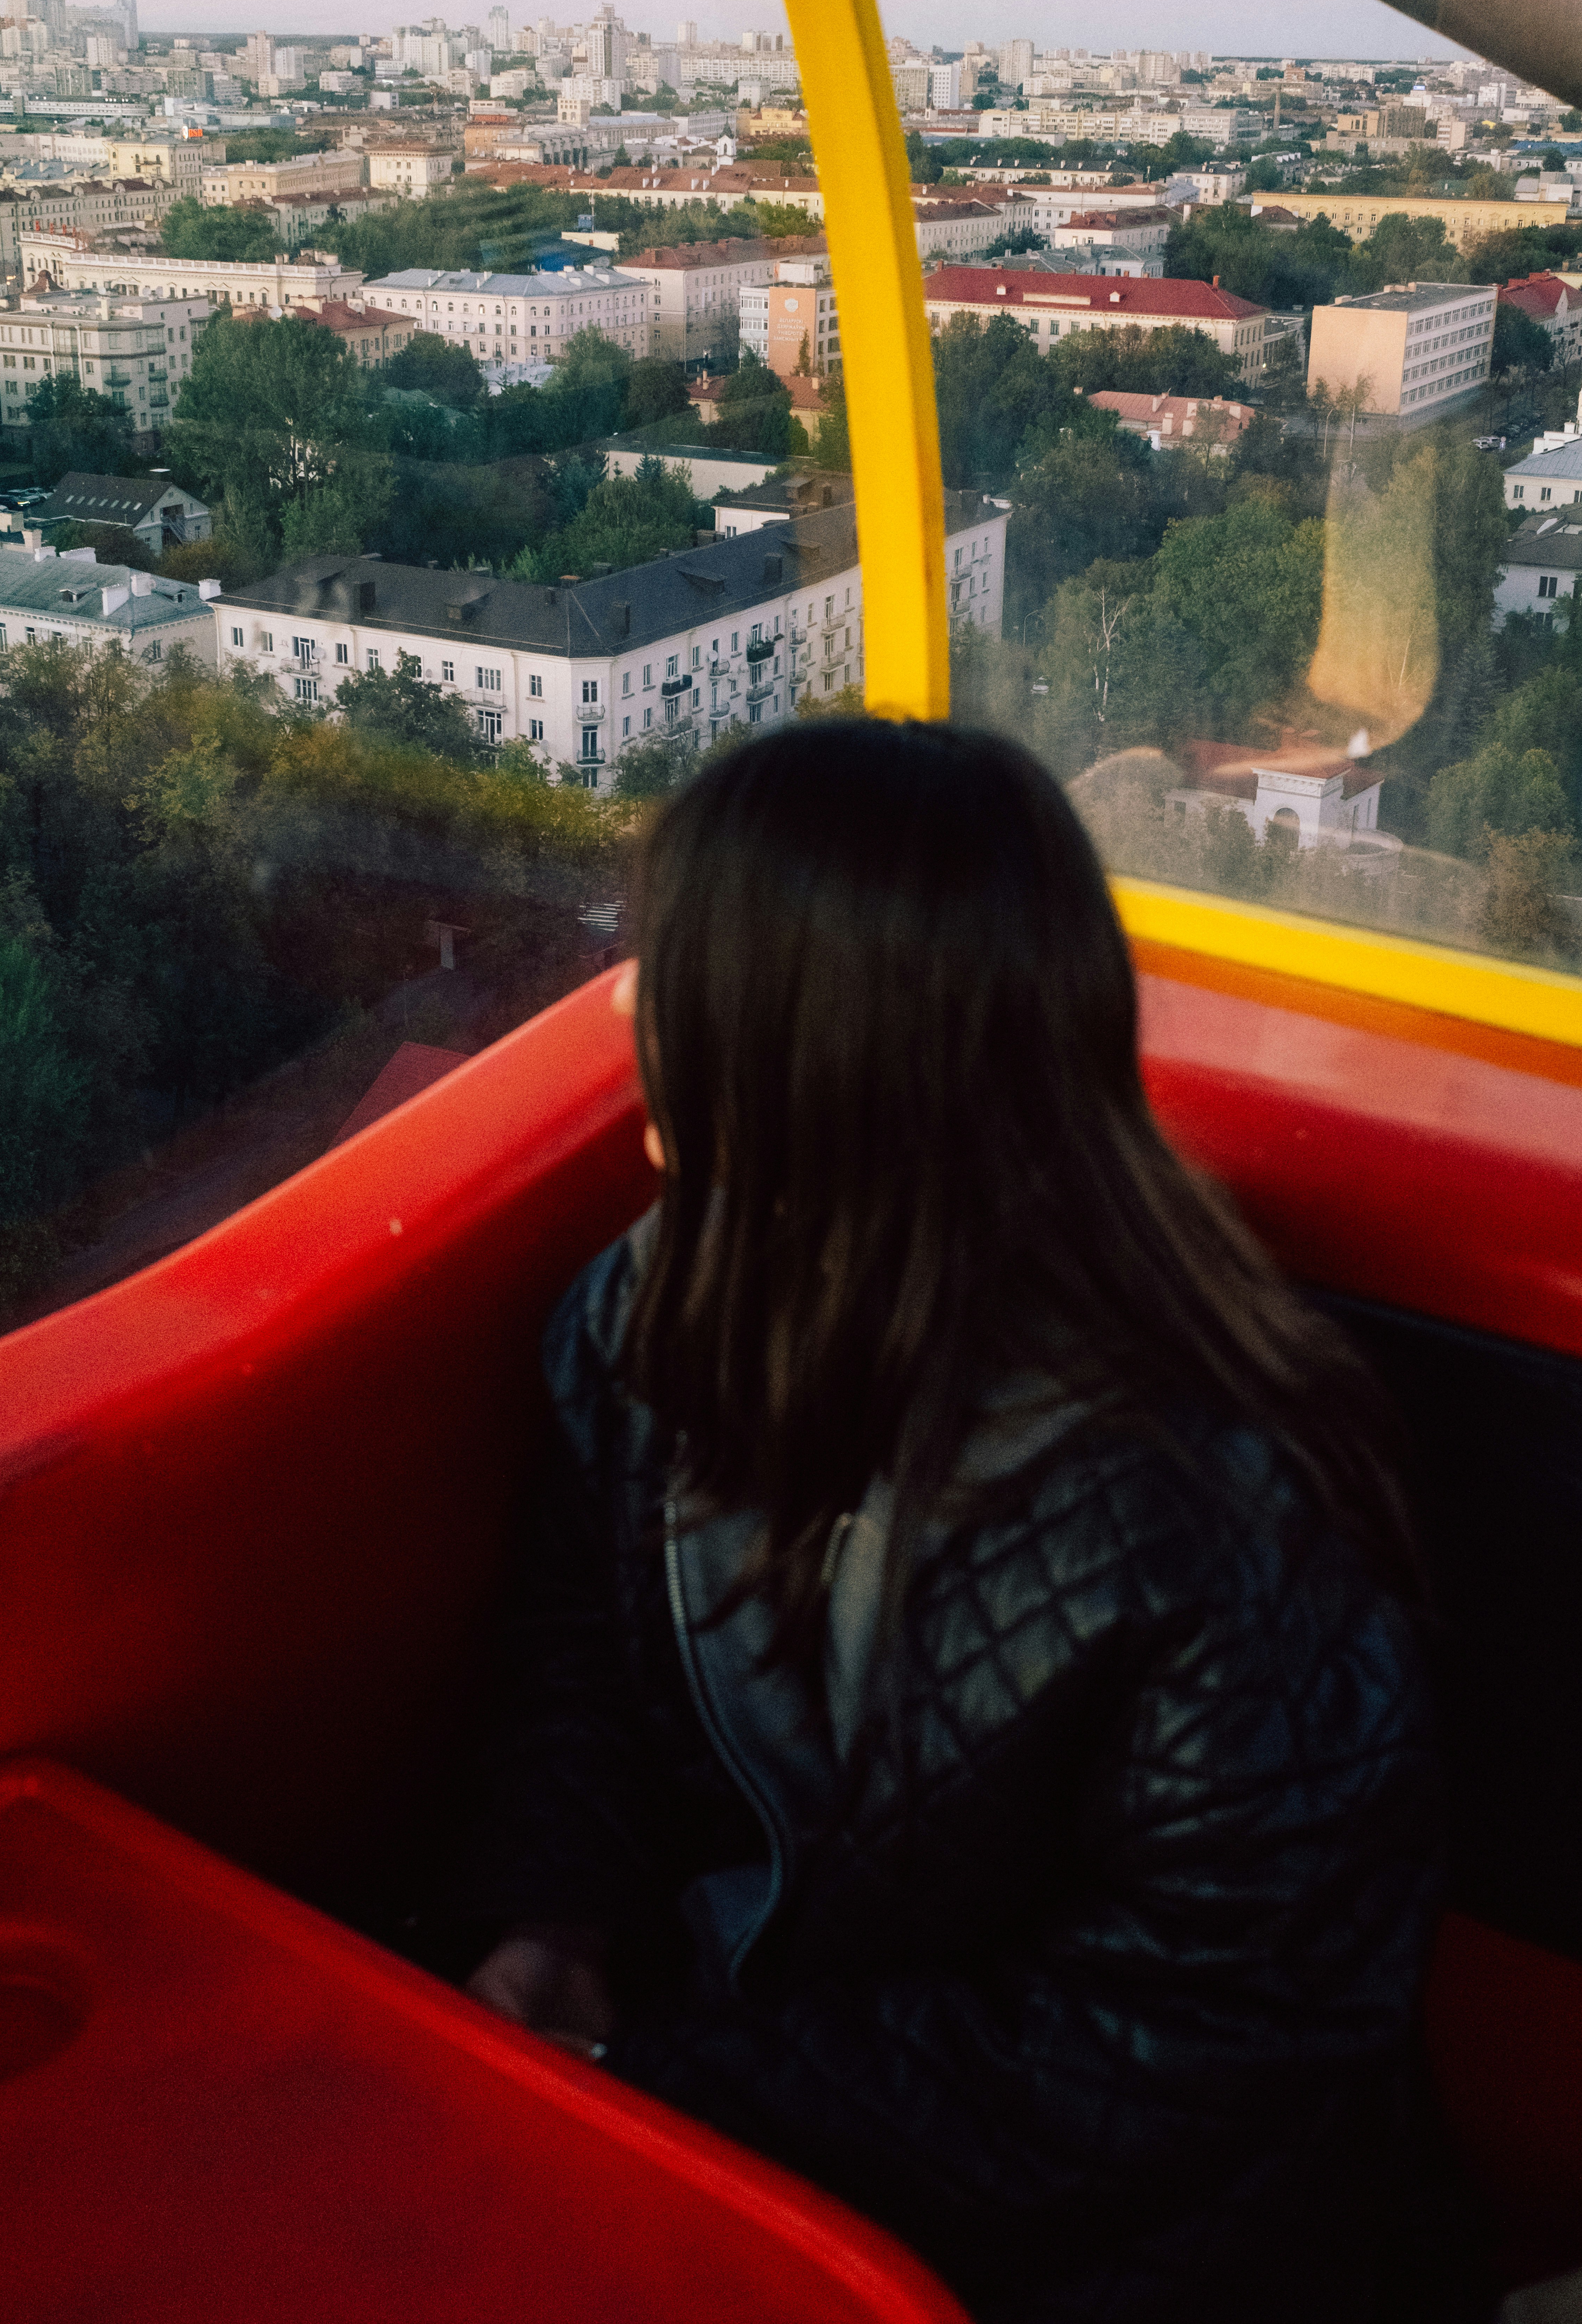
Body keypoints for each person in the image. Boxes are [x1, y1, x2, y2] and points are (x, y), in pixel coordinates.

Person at [453, 720, 1444, 2322]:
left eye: (680, 965)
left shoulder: (1215, 1504)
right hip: (746, 2110)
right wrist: (551, 1914)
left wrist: (680, 2081)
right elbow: (581, 1653)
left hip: (1130, 2248)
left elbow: (1190, 2042)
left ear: (824, 1054)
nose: (630, 1004)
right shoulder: (641, 1310)